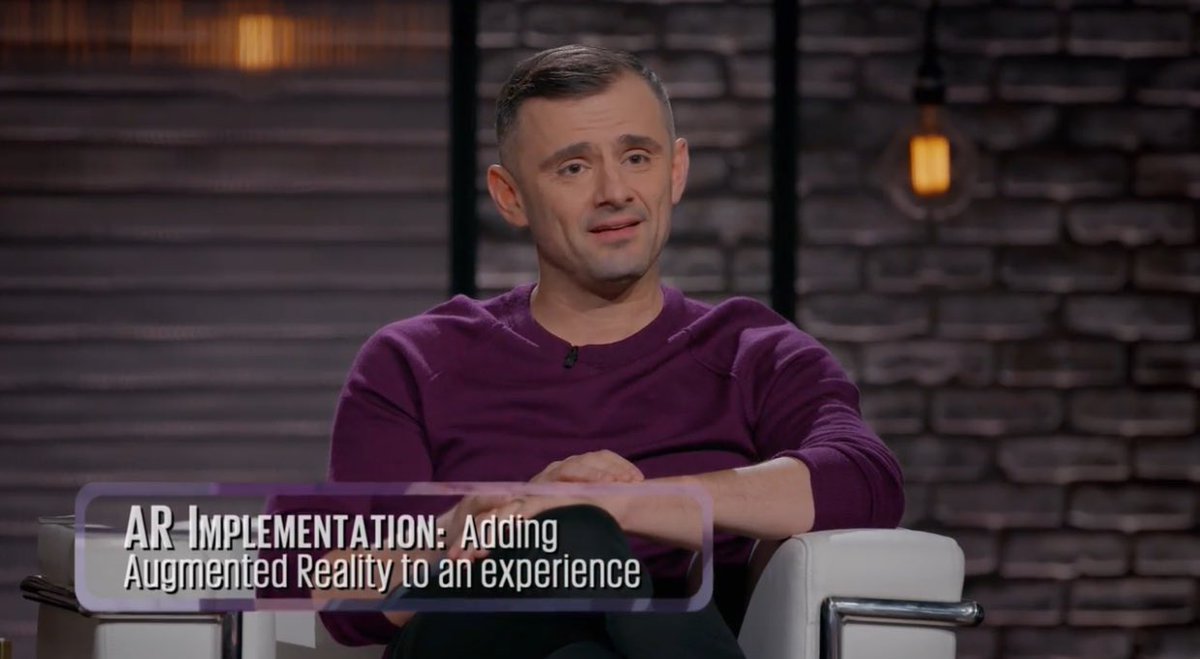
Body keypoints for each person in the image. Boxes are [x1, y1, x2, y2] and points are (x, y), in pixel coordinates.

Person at [303, 44, 904, 659]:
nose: (614, 191)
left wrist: (619, 503)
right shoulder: (413, 359)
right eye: (573, 168)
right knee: (570, 540)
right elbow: (331, 594)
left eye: (636, 157)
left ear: (675, 171)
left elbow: (863, 481)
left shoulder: (751, 353)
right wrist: (463, 533)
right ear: (510, 197)